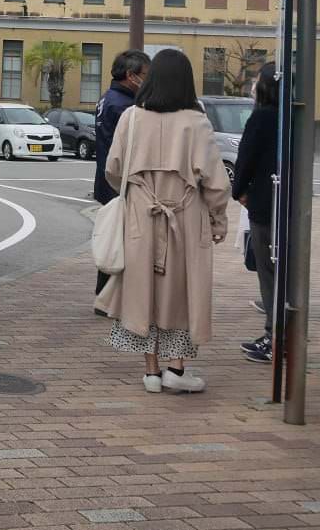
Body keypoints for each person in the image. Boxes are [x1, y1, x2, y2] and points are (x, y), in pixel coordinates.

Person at [97, 49, 229, 394]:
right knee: (183, 292)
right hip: (185, 218)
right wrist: (218, 218)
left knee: (144, 292)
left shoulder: (131, 117)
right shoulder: (196, 121)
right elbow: (215, 182)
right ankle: (178, 368)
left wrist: (139, 194)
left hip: (141, 219)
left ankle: (152, 372)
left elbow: (113, 170)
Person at [231, 62, 279, 364]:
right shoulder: (293, 117)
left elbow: (245, 159)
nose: (251, 86)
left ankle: (274, 338)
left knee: (268, 273)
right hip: (290, 205)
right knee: (284, 274)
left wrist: (239, 191)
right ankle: (281, 334)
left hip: (263, 204)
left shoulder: (260, 117)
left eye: (254, 81)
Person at [94, 49, 151, 297]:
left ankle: (105, 293)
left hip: (106, 179)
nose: (147, 81)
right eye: (145, 75)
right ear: (131, 75)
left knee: (114, 238)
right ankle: (110, 296)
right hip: (120, 182)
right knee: (121, 242)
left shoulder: (108, 98)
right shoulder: (125, 106)